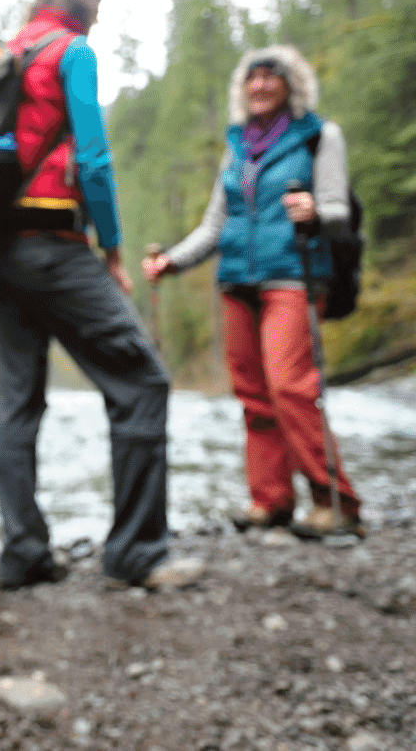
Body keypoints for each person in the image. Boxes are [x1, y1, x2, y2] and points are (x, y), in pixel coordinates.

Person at [0, 0, 204, 590]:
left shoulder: (2, 53)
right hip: (55, 243)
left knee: (17, 402)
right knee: (142, 382)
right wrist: (111, 247)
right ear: (87, 6)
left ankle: (23, 554)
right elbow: (96, 161)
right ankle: (137, 553)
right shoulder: (72, 53)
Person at [141, 45, 365, 539]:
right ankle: (271, 500)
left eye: (270, 77)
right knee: (253, 395)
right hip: (237, 281)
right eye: (252, 78)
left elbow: (337, 210)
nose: (259, 85)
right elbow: (216, 222)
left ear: (291, 85)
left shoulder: (320, 136)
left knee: (290, 387)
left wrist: (314, 210)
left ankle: (337, 503)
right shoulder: (238, 145)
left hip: (294, 276)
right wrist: (172, 261)